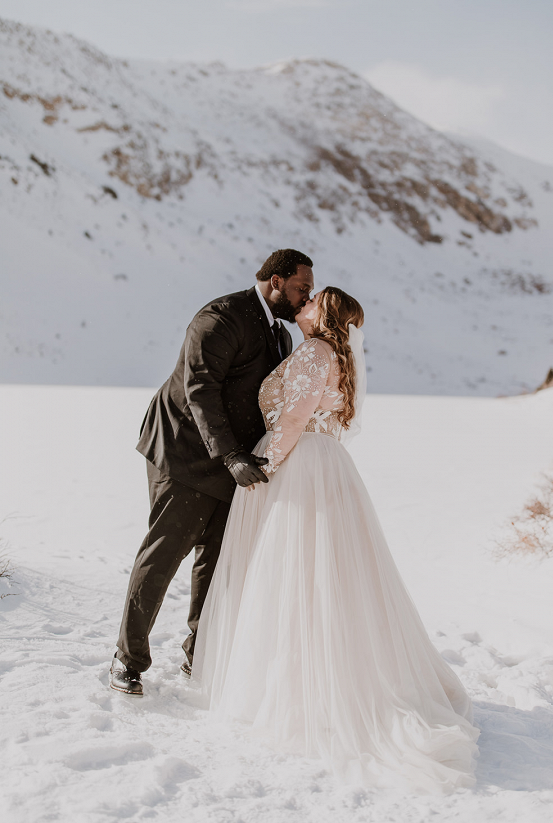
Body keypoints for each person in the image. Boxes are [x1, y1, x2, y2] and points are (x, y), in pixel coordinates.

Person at [192, 287, 479, 791]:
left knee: (294, 573)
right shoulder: (332, 355)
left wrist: (262, 469)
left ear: (324, 315)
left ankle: (300, 690)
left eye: (312, 300)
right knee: (323, 575)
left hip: (297, 465)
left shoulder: (315, 352)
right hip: (326, 466)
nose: (303, 305)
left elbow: (297, 418)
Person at [109, 249, 315, 695]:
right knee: (163, 556)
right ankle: (128, 660)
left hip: (233, 463)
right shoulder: (222, 316)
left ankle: (199, 655)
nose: (306, 297)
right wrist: (232, 456)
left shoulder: (281, 335)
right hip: (184, 454)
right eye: (302, 287)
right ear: (276, 281)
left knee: (218, 565)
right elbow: (200, 390)